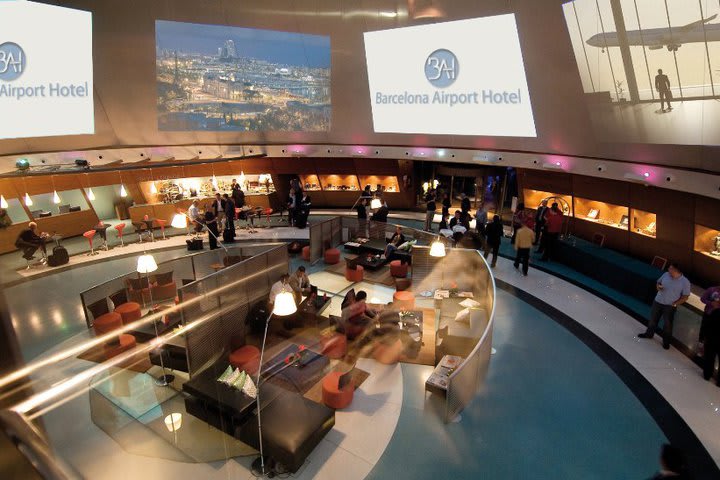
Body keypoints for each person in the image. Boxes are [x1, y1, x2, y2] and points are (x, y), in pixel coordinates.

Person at [638, 263, 691, 350]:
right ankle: (649, 334)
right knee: (653, 320)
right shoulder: (666, 274)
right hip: (657, 302)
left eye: (670, 268)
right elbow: (658, 282)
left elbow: (685, 296)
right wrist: (658, 287)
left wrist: (675, 303)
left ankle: (666, 342)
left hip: (669, 306)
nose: (668, 270)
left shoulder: (685, 282)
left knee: (667, 324)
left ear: (676, 270)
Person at [699, 285, 720, 354]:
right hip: (708, 315)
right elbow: (702, 299)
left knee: (713, 336)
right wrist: (711, 303)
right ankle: (701, 349)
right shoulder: (711, 289)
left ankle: (708, 351)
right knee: (703, 332)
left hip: (717, 319)